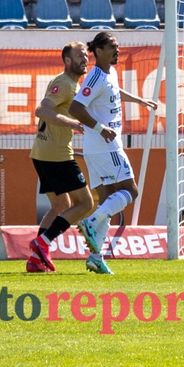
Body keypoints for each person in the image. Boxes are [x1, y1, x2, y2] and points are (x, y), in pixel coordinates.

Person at [55, 32, 153, 277]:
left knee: (108, 197)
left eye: (117, 46)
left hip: (97, 146)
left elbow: (115, 92)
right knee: (131, 190)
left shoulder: (111, 72)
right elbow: (76, 107)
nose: (117, 50)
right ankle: (89, 222)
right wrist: (100, 127)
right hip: (104, 143)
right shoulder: (96, 76)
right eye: (112, 46)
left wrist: (138, 100)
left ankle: (96, 258)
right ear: (98, 51)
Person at [26, 43, 93, 275]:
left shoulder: (71, 84)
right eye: (79, 56)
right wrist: (72, 123)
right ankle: (43, 242)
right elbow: (41, 111)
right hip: (56, 155)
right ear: (67, 61)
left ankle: (35, 260)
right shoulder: (65, 83)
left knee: (60, 206)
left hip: (43, 154)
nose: (84, 59)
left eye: (86, 55)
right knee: (85, 203)